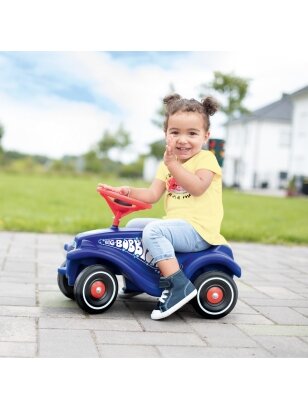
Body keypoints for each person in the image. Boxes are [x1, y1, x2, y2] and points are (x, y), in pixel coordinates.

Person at [98, 93, 228, 320]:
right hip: (177, 226)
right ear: (166, 134)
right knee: (135, 225)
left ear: (205, 136)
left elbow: (198, 187)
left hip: (199, 230)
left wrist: (172, 165)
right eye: (175, 132)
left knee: (153, 231)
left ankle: (179, 285)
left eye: (192, 133)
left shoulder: (206, 160)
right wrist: (127, 191)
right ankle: (138, 277)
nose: (183, 140)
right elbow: (151, 195)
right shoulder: (166, 163)